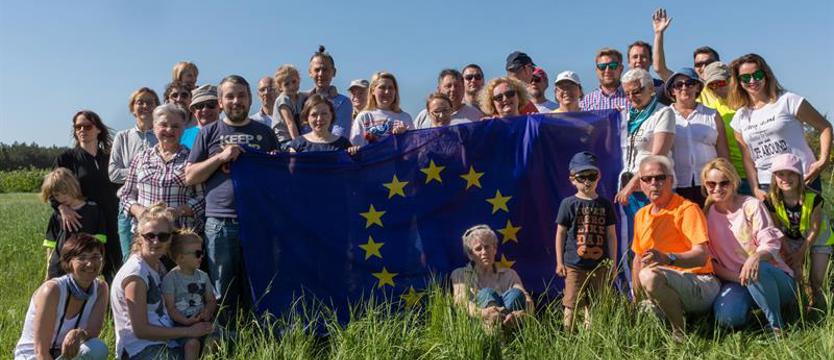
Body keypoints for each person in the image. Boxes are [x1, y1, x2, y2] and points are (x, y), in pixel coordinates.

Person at [185, 75, 279, 317]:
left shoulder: (265, 133)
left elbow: (279, 177)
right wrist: (220, 157)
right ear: (220, 101)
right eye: (230, 96)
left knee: (258, 284)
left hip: (258, 221)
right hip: (220, 222)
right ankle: (224, 339)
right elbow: (190, 176)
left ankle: (257, 337)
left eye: (241, 95)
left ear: (250, 99)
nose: (236, 101)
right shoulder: (208, 132)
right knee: (221, 288)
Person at [702, 158, 797, 333]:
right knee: (727, 318)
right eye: (711, 184)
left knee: (756, 269)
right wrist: (742, 278)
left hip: (772, 276)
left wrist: (755, 258)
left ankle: (776, 326)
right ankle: (760, 311)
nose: (717, 188)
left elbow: (771, 244)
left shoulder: (752, 205)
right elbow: (712, 263)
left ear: (734, 182)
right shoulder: (706, 215)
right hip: (737, 281)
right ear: (705, 185)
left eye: (724, 183)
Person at [630, 155, 719, 337]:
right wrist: (636, 300)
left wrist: (667, 258)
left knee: (649, 275)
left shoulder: (687, 209)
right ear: (641, 184)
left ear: (671, 180)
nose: (654, 183)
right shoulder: (641, 215)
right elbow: (638, 260)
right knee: (641, 317)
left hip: (700, 282)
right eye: (648, 179)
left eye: (660, 177)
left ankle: (679, 335)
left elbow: (702, 256)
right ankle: (689, 318)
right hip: (664, 282)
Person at [111, 204, 213, 359]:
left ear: (170, 238)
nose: (156, 241)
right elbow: (141, 330)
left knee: (224, 340)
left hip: (167, 340)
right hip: (140, 350)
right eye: (150, 236)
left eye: (163, 236)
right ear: (140, 236)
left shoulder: (157, 266)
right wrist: (189, 331)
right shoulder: (136, 274)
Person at [728, 53, 832, 199]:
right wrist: (755, 188)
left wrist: (823, 161)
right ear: (738, 82)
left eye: (757, 75)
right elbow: (747, 158)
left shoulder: (788, 100)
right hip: (767, 184)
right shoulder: (740, 117)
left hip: (802, 177)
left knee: (810, 222)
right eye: (745, 78)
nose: (752, 80)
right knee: (774, 223)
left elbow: (825, 127)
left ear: (766, 75)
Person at [14, 234, 110, 360]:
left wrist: (78, 334)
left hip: (65, 354)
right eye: (82, 258)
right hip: (33, 356)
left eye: (95, 257)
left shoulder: (101, 288)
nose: (90, 264)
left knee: (97, 348)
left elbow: (93, 331)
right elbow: (41, 352)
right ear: (69, 262)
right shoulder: (52, 290)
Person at [555, 152, 617, 330]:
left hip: (600, 265)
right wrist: (559, 262)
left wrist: (612, 263)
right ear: (572, 179)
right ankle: (568, 338)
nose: (587, 181)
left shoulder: (604, 204)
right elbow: (560, 233)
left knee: (596, 303)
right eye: (582, 177)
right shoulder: (568, 203)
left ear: (599, 177)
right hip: (574, 264)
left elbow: (611, 235)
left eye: (592, 176)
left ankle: (592, 338)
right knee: (571, 303)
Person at [119, 103, 204, 232]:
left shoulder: (192, 160)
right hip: (146, 234)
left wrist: (178, 211)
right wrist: (139, 211)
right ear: (154, 127)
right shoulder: (140, 158)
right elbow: (126, 194)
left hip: (180, 233)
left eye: (175, 126)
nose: (169, 130)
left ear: (183, 129)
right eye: (163, 125)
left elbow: (203, 199)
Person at [57, 110, 121, 281]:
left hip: (112, 219)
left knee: (113, 266)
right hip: (82, 220)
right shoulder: (67, 158)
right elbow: (53, 189)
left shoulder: (110, 157)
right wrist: (61, 207)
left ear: (98, 129)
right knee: (81, 267)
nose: (82, 130)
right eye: (78, 127)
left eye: (87, 126)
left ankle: (109, 304)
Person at [763, 153, 833, 309]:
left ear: (800, 176)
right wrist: (790, 255)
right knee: (796, 273)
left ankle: (819, 309)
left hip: (817, 238)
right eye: (781, 174)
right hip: (792, 238)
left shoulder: (813, 198)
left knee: (817, 279)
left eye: (791, 173)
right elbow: (776, 229)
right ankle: (801, 305)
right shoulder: (771, 200)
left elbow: (814, 231)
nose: (786, 178)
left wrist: (801, 255)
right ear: (775, 177)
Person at [614, 68, 675, 221]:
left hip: (651, 187)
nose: (631, 97)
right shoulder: (627, 116)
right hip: (627, 188)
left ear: (650, 88)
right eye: (626, 94)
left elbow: (657, 157)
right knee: (634, 240)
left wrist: (631, 185)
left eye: (636, 92)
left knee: (653, 237)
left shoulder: (663, 113)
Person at [666, 67, 729, 206]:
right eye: (678, 85)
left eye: (689, 83)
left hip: (710, 185)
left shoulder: (712, 114)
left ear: (697, 87)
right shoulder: (664, 116)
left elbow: (723, 152)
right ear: (672, 91)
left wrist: (727, 181)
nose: (684, 88)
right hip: (677, 184)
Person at [451, 225, 533, 329]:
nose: (484, 252)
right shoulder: (459, 274)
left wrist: (521, 314)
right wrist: (483, 313)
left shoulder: (509, 274)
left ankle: (505, 330)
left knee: (516, 293)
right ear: (471, 255)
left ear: (494, 249)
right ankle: (495, 335)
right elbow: (460, 302)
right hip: (479, 325)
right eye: (478, 249)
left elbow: (527, 299)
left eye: (487, 247)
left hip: (513, 323)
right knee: (487, 293)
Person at [111, 88, 160, 259]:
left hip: (155, 206)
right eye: (140, 102)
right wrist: (142, 172)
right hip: (128, 206)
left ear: (157, 108)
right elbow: (113, 173)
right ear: (132, 108)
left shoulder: (163, 136)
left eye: (150, 102)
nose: (145, 106)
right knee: (130, 259)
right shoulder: (122, 137)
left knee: (156, 258)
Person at [40, 168, 107, 280]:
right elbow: (51, 244)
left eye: (64, 193)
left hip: (85, 268)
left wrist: (98, 266)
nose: (61, 198)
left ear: (73, 187)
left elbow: (100, 242)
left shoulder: (93, 210)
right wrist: (48, 269)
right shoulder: (58, 214)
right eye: (57, 195)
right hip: (58, 268)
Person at [162, 230, 219, 360]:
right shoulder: (170, 279)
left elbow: (211, 300)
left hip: (203, 319)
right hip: (181, 324)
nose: (201, 256)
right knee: (192, 344)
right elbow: (170, 308)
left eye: (202, 252)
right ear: (181, 257)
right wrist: (186, 321)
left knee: (214, 340)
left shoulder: (203, 276)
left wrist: (207, 311)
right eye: (197, 253)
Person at [698, 61, 750, 194]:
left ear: (731, 80)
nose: (716, 88)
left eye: (720, 83)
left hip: (757, 172)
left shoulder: (749, 101)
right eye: (711, 85)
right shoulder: (712, 108)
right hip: (731, 176)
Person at [349, 71, 412, 146]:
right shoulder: (364, 117)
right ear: (373, 91)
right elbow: (355, 147)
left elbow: (414, 149)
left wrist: (405, 135)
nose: (387, 92)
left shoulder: (405, 118)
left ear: (395, 91)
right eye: (382, 87)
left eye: (391, 88)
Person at [306, 46, 353, 137]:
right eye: (317, 70)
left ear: (334, 72)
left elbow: (340, 134)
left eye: (325, 70)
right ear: (310, 72)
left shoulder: (343, 102)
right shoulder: (302, 100)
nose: (321, 74)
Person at [287, 94, 357, 153]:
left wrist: (355, 153)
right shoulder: (297, 144)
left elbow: (354, 167)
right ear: (307, 117)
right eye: (314, 115)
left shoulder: (343, 144)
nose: (319, 119)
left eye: (324, 113)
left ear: (331, 115)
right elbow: (289, 168)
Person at [413, 69, 481, 128]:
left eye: (457, 86)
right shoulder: (424, 116)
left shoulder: (476, 115)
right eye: (448, 86)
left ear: (463, 88)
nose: (453, 89)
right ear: (439, 90)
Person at [272, 64, 309, 146]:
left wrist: (331, 88)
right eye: (286, 84)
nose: (291, 86)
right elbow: (290, 123)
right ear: (280, 87)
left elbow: (313, 92)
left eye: (294, 82)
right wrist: (298, 144)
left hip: (296, 136)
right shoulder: (283, 100)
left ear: (299, 80)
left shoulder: (299, 96)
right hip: (284, 140)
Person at [180, 85, 220, 150]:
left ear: (220, 107)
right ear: (193, 110)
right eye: (200, 106)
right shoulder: (182, 135)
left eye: (211, 104)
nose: (205, 109)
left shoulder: (230, 132)